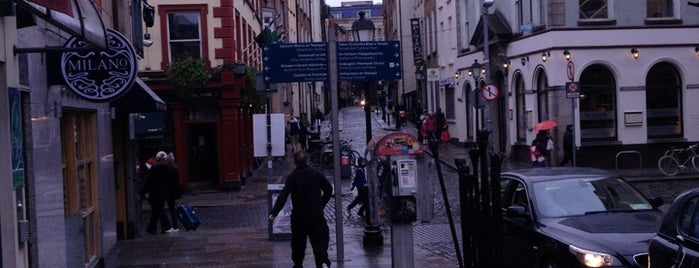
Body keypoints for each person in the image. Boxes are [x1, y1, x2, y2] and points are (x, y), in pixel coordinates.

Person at [269, 151, 333, 268]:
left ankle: (298, 264)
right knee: (320, 243)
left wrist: (274, 212)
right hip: (316, 216)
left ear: (295, 162)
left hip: (299, 217)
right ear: (307, 160)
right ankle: (322, 263)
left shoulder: (292, 177)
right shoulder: (315, 174)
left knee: (298, 243)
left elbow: (283, 195)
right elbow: (328, 189)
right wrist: (321, 204)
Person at [144, 151, 175, 234]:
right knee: (159, 211)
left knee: (156, 211)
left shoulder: (154, 168)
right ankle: (166, 226)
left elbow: (148, 181)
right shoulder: (165, 168)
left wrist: (146, 191)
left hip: (154, 193)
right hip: (159, 193)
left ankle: (151, 228)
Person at [164, 152, 181, 232]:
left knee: (171, 209)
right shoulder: (175, 169)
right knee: (172, 209)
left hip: (168, 192)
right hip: (173, 192)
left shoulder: (167, 170)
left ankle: (175, 226)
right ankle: (175, 226)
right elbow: (177, 182)